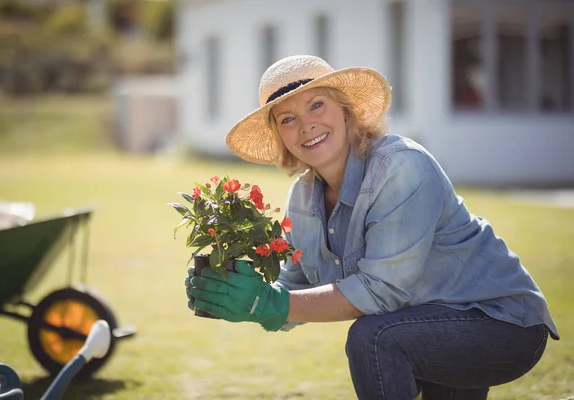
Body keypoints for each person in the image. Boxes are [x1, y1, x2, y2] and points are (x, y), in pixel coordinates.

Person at [186, 55, 559, 400]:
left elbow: (382, 291)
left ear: (346, 112)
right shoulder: (302, 199)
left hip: (500, 323)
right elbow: (294, 291)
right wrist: (238, 290)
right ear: (281, 136)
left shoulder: (400, 167)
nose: (306, 125)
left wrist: (271, 304)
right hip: (420, 323)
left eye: (317, 105)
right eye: (287, 119)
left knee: (373, 338)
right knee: (384, 334)